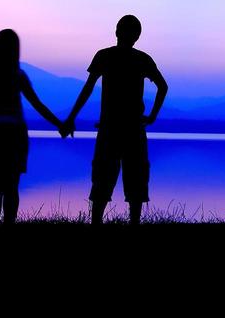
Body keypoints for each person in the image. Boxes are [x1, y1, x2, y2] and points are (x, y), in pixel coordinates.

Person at [62, 15, 168, 225]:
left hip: (112, 129)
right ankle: (132, 224)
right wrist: (152, 116)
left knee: (104, 179)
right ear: (137, 36)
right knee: (133, 182)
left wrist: (71, 117)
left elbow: (88, 88)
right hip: (132, 129)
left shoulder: (105, 56)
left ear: (117, 31)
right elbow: (163, 87)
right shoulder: (141, 59)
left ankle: (97, 224)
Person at [0, 28, 63, 226]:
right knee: (12, 186)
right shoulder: (18, 75)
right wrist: (60, 125)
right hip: (15, 135)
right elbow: (38, 105)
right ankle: (9, 224)